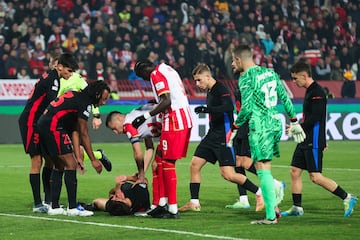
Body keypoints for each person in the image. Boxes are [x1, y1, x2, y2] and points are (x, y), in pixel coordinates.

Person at [227, 44, 306, 224]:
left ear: (239, 59)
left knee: (262, 170)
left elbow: (246, 108)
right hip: (274, 123)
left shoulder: (246, 77)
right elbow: (285, 98)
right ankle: (272, 211)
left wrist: (235, 127)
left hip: (259, 125)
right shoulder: (271, 73)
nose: (232, 64)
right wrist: (294, 121)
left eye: (233, 60)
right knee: (263, 168)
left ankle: (271, 215)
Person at [179, 63, 264, 213]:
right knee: (194, 164)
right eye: (196, 81)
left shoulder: (220, 89)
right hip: (212, 134)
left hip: (223, 137)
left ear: (207, 76)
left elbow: (228, 107)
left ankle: (259, 193)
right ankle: (194, 202)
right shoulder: (211, 90)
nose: (197, 84)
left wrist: (208, 109)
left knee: (228, 174)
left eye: (199, 80)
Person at [281, 61, 358, 218]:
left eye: (295, 79)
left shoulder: (317, 92)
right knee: (294, 171)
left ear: (304, 75)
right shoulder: (311, 91)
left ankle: (347, 197)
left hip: (312, 140)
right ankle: (297, 207)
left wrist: (298, 127)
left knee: (315, 177)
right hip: (305, 139)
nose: (294, 82)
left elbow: (316, 117)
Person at [37, 81, 110, 216]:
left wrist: (79, 158)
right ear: (97, 94)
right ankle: (72, 208)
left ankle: (54, 206)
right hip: (52, 127)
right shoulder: (85, 103)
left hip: (44, 124)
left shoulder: (77, 97)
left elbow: (75, 132)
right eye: (104, 99)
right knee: (70, 165)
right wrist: (93, 160)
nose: (104, 103)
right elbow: (83, 132)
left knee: (59, 165)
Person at [18, 52, 79, 213]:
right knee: (36, 161)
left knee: (50, 161)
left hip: (40, 123)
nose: (70, 74)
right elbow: (53, 104)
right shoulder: (52, 79)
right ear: (59, 66)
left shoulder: (53, 78)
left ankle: (47, 199)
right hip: (31, 122)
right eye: (69, 70)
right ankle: (38, 203)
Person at [132, 59, 193, 218]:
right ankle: (161, 203)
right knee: (159, 161)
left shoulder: (155, 74)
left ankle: (172, 208)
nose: (145, 80)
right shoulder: (167, 68)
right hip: (180, 118)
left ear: (145, 69)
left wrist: (145, 116)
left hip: (174, 120)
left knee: (166, 162)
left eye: (142, 76)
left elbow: (166, 100)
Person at [226, 88, 285, 210]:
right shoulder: (242, 87)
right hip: (242, 125)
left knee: (246, 163)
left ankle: (274, 183)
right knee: (237, 163)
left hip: (248, 126)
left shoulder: (251, 88)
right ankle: (243, 200)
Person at [105, 103, 162, 207]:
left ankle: (163, 204)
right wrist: (142, 173)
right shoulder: (135, 115)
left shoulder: (128, 125)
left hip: (171, 126)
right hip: (169, 126)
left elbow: (138, 153)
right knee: (157, 165)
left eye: (114, 128)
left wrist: (140, 176)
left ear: (118, 118)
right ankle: (160, 203)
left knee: (160, 166)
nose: (116, 132)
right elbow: (149, 148)